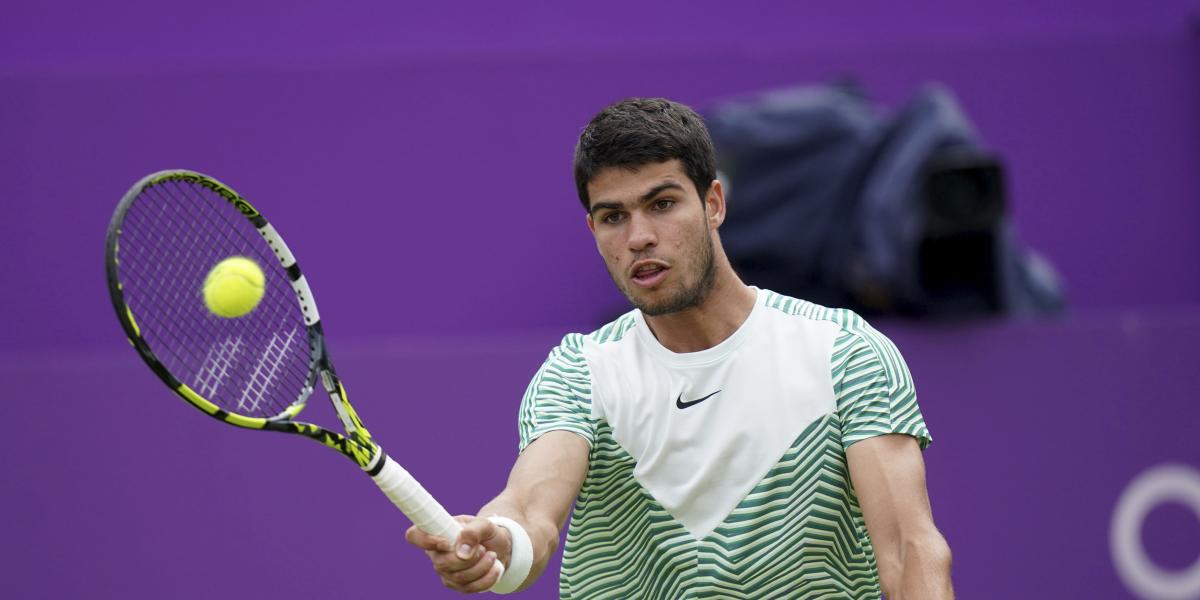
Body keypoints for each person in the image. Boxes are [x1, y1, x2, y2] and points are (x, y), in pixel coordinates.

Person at [405, 98, 954, 598]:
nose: (638, 236)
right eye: (613, 217)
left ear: (713, 202)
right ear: (592, 230)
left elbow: (910, 550)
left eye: (662, 204)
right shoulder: (580, 372)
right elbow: (530, 510)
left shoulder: (843, 352)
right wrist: (502, 540)